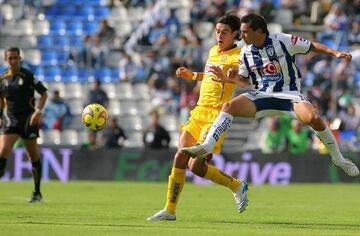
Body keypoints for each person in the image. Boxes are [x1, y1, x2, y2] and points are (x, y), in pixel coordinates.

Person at [182, 13, 359, 177]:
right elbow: (245, 81)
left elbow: (312, 46)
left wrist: (334, 52)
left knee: (313, 117)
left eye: (245, 32)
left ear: (258, 31)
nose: (242, 36)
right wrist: (229, 78)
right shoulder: (245, 52)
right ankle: (208, 145)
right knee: (229, 106)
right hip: (262, 95)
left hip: (289, 95)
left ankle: (338, 159)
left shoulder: (283, 40)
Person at [147, 14, 248, 221]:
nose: (219, 35)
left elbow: (245, 81)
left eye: (224, 32)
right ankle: (169, 210)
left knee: (195, 166)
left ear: (235, 34)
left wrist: (228, 78)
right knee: (180, 157)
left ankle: (236, 185)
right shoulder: (212, 51)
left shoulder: (239, 56)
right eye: (217, 31)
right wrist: (192, 75)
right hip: (198, 111)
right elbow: (210, 75)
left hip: (217, 116)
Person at [0, 47, 48, 202]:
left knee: (33, 155)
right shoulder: (2, 79)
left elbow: (44, 93)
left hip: (28, 119)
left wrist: (38, 111)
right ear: (6, 60)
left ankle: (37, 192)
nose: (13, 61)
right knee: (3, 151)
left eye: (15, 57)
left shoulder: (28, 76)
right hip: (11, 120)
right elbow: (1, 99)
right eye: (10, 58)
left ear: (20, 58)